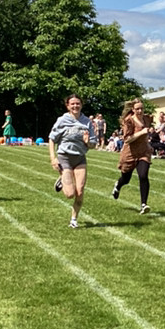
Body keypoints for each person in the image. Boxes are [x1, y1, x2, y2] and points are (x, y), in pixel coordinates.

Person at [49, 94, 97, 228]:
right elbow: (52, 139)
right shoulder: (62, 120)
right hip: (65, 157)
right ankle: (62, 178)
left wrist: (88, 142)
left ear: (81, 105)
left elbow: (93, 144)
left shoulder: (87, 122)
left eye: (78, 103)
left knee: (80, 191)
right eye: (72, 104)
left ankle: (74, 220)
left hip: (80, 158)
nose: (75, 106)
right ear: (68, 106)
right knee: (70, 194)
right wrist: (53, 158)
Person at [111, 98, 153, 214]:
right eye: (137, 109)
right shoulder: (129, 121)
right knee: (126, 179)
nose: (140, 111)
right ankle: (118, 185)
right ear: (133, 110)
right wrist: (141, 132)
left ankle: (144, 204)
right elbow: (127, 139)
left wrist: (148, 143)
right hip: (130, 153)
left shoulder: (147, 119)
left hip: (143, 152)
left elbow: (147, 131)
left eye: (142, 108)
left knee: (143, 175)